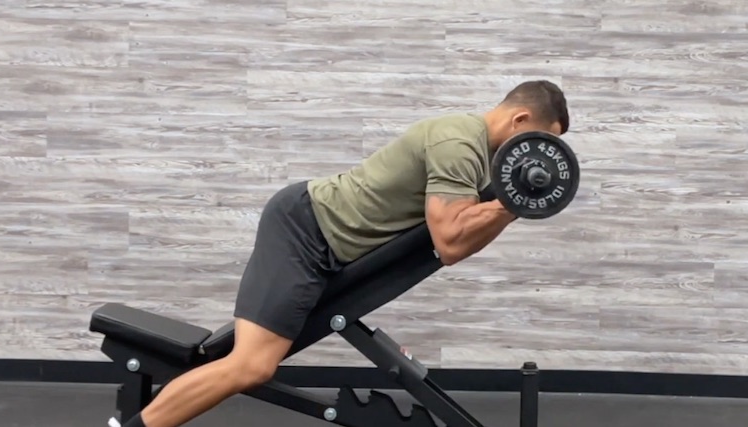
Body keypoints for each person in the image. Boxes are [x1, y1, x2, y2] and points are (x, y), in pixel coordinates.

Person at [117, 80, 570, 427]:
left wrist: (510, 204)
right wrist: (514, 201)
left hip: (326, 241)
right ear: (520, 120)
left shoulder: (477, 159)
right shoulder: (459, 142)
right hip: (305, 230)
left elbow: (452, 245)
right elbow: (451, 241)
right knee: (250, 365)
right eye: (540, 141)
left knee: (248, 363)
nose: (538, 158)